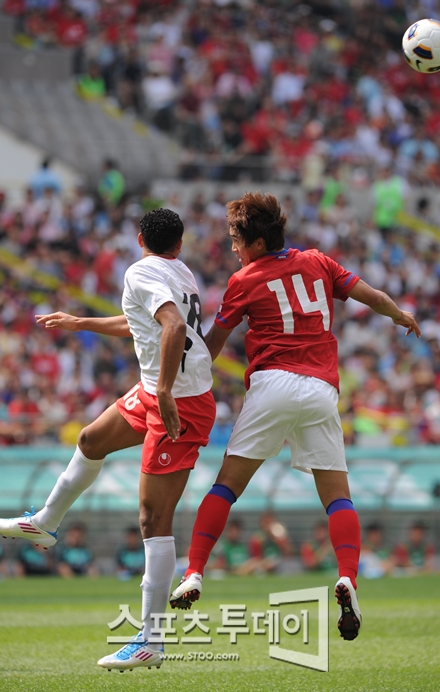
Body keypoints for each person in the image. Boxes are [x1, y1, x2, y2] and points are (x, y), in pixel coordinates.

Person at [168, 191, 421, 642]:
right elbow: (372, 296)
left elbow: (213, 345)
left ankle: (194, 572)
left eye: (236, 241)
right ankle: (348, 578)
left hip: (272, 386)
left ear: (257, 243)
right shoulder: (319, 261)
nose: (233, 248)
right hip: (321, 390)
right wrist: (399, 315)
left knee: (226, 487)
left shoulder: (243, 279)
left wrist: (177, 377)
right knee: (337, 498)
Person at [0, 208, 216, 671]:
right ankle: (45, 522)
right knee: (91, 439)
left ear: (139, 239)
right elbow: (144, 322)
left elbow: (174, 327)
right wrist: (81, 322)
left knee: (153, 520)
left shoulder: (141, 270)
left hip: (178, 400)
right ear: (179, 244)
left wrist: (163, 391)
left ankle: (151, 640)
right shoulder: (180, 271)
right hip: (157, 391)